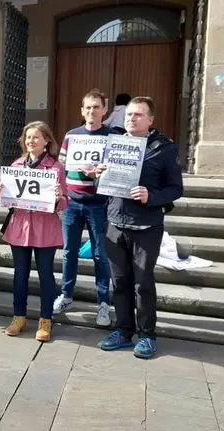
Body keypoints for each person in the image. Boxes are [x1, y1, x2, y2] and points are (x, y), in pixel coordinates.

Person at [95, 96, 183, 359]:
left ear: (150, 120)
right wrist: (101, 174)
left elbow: (175, 189)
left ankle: (147, 336)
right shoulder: (116, 144)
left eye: (138, 115)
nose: (131, 119)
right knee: (119, 282)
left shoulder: (163, 149)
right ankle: (123, 331)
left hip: (146, 225)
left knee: (142, 284)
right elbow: (106, 184)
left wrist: (150, 196)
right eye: (129, 114)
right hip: (115, 223)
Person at [0, 121, 67, 342]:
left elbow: (65, 203)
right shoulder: (16, 165)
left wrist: (59, 198)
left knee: (45, 275)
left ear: (46, 141)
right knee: (20, 275)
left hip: (45, 229)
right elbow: (7, 202)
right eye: (28, 138)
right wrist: (0, 192)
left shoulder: (55, 168)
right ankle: (19, 316)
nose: (31, 141)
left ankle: (45, 319)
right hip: (20, 228)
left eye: (36, 137)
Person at [53, 89, 115, 327]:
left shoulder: (113, 136)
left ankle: (102, 303)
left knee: (101, 255)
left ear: (104, 111)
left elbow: (117, 170)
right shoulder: (71, 135)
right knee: (69, 252)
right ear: (82, 111)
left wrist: (102, 172)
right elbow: (61, 166)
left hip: (99, 203)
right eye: (88, 107)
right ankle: (67, 296)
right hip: (72, 202)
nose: (92, 111)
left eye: (96, 107)